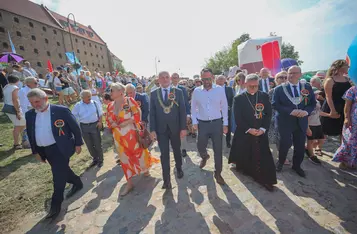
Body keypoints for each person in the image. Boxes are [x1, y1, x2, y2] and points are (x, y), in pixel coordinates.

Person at [25, 88, 83, 220]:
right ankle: (77, 182)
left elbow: (75, 127)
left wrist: (78, 143)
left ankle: (55, 205)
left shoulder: (61, 110)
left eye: (37, 101)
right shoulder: (30, 114)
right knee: (61, 171)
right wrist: (35, 151)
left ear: (46, 98)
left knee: (58, 177)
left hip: (61, 148)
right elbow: (30, 133)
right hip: (44, 150)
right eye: (32, 103)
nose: (35, 105)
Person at [107, 83, 159, 196]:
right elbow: (108, 120)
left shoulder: (129, 101)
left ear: (121, 91)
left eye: (112, 90)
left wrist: (127, 122)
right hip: (119, 137)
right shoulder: (110, 105)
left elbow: (137, 114)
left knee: (138, 153)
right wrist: (112, 123)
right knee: (124, 159)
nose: (110, 92)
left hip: (131, 134)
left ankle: (145, 170)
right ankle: (129, 183)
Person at [228, 74, 277, 191]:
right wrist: (249, 129)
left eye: (255, 86)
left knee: (263, 156)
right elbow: (238, 118)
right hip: (245, 131)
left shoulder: (264, 96)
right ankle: (246, 169)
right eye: (250, 86)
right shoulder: (239, 98)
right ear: (245, 84)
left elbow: (268, 114)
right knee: (245, 153)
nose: (253, 89)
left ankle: (265, 179)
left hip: (260, 131)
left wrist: (263, 129)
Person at [273, 66, 316, 177]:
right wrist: (290, 111)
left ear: (300, 74)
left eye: (294, 73)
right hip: (285, 121)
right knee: (285, 143)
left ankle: (297, 166)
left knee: (300, 145)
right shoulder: (279, 89)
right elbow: (275, 104)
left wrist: (306, 112)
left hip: (301, 121)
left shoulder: (306, 87)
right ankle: (281, 162)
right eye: (289, 73)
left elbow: (312, 103)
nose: (291, 75)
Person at [191, 68, 228, 185]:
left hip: (217, 123)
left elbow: (225, 106)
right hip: (202, 123)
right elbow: (193, 107)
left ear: (212, 77)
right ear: (200, 79)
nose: (206, 81)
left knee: (218, 149)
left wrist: (225, 123)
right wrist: (194, 121)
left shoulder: (220, 90)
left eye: (208, 78)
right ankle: (204, 156)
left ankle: (218, 173)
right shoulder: (197, 91)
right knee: (200, 144)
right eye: (203, 79)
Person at [150, 71, 186, 189]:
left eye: (167, 77)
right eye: (162, 78)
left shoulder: (178, 92)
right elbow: (152, 113)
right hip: (161, 130)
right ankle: (166, 180)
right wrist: (152, 130)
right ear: (158, 80)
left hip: (175, 128)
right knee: (164, 154)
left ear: (170, 79)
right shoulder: (154, 93)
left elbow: (182, 111)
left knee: (176, 150)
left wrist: (183, 128)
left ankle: (179, 168)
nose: (165, 80)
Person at [72, 90, 104, 168]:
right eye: (87, 96)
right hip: (84, 127)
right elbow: (74, 116)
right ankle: (95, 159)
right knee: (89, 144)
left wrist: (100, 122)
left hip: (94, 125)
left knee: (97, 143)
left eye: (90, 96)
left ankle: (100, 160)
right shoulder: (78, 105)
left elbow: (100, 113)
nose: (89, 98)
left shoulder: (95, 103)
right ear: (82, 97)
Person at [321, 60, 351, 138]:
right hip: (333, 106)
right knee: (325, 130)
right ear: (340, 67)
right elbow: (328, 97)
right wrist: (332, 110)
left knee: (343, 130)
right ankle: (317, 146)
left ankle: (343, 148)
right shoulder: (330, 80)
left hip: (344, 107)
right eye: (346, 66)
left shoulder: (347, 79)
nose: (348, 67)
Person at [332, 86, 357, 169]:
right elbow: (347, 106)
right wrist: (347, 118)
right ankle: (345, 162)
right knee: (350, 141)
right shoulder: (353, 89)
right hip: (353, 121)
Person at [268, 71, 290, 164]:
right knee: (275, 139)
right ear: (276, 80)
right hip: (274, 119)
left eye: (286, 77)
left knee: (286, 139)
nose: (284, 79)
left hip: (288, 119)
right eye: (281, 77)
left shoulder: (291, 91)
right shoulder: (272, 92)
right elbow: (269, 106)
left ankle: (282, 155)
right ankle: (280, 157)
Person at [2, 75, 26, 149]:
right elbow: (15, 100)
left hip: (7, 107)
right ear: (17, 80)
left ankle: (23, 140)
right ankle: (16, 144)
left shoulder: (6, 86)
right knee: (18, 126)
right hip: (13, 108)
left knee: (21, 124)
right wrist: (18, 111)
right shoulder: (14, 88)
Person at [171, 73, 191, 157]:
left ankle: (184, 149)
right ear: (171, 79)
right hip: (171, 115)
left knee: (183, 131)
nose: (175, 79)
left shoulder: (183, 89)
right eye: (173, 78)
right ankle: (176, 148)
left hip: (181, 114)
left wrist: (188, 114)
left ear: (179, 79)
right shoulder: (168, 89)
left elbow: (186, 102)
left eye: (176, 78)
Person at [18, 77, 38, 148]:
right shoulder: (23, 91)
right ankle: (27, 143)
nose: (37, 84)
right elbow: (23, 104)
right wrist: (26, 115)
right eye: (35, 83)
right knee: (28, 128)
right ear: (29, 83)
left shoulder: (34, 90)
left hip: (35, 110)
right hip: (28, 111)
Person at [216, 75, 234, 148]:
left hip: (227, 111)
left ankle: (228, 141)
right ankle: (218, 142)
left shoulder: (229, 89)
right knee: (218, 127)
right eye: (219, 79)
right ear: (216, 81)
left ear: (225, 80)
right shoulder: (214, 89)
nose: (220, 81)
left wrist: (230, 106)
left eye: (222, 79)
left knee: (227, 126)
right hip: (216, 111)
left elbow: (232, 99)